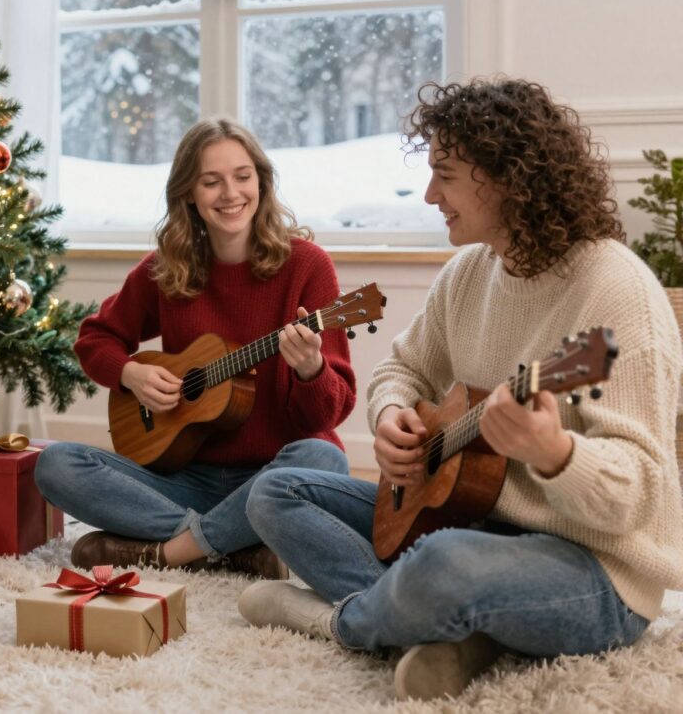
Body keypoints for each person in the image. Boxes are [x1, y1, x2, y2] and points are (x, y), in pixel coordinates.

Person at [238, 79, 683, 700]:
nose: (428, 195)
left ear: (507, 177)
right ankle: (449, 628)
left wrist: (556, 454)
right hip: (472, 520)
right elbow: (403, 370)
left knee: (444, 563)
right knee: (276, 492)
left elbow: (641, 495)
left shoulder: (617, 293)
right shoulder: (468, 274)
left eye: (444, 175)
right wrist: (393, 414)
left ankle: (340, 620)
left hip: (596, 573)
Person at [35, 119, 356, 579]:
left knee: (326, 460)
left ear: (261, 182)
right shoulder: (168, 269)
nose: (231, 193)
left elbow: (327, 416)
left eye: (243, 177)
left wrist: (310, 370)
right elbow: (94, 339)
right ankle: (235, 548)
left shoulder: (307, 266)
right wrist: (132, 375)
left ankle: (173, 550)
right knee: (56, 464)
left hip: (273, 477)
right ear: (189, 193)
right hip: (185, 479)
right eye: (212, 181)